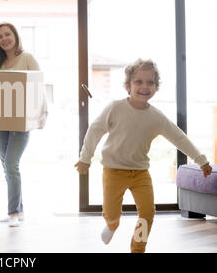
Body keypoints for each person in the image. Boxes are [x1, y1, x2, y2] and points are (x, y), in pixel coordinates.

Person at [74, 59, 212, 253]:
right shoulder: (115, 108)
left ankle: (138, 249)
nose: (144, 87)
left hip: (140, 173)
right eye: (139, 82)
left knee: (147, 213)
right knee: (112, 214)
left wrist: (201, 160)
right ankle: (112, 224)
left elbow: (179, 138)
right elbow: (95, 130)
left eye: (150, 82)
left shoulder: (157, 117)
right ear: (128, 85)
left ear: (156, 86)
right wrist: (85, 158)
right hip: (113, 171)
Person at [0, 22, 46, 227]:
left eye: (7, 34)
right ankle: (19, 210)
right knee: (7, 167)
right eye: (0, 37)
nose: (4, 39)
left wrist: (42, 114)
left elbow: (39, 86)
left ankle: (13, 213)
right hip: (0, 120)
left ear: (15, 36)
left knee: (12, 165)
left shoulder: (27, 58)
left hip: (22, 121)